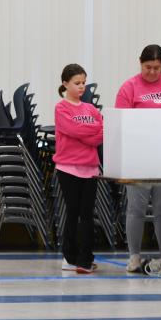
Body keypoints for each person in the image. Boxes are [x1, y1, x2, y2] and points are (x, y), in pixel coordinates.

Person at [114, 44, 161, 273]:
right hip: (138, 157)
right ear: (140, 63)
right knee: (136, 208)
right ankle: (134, 256)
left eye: (157, 68)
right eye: (148, 67)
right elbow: (120, 121)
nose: (152, 72)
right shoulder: (129, 87)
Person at [54, 63, 104, 274]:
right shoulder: (61, 108)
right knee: (73, 213)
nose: (82, 86)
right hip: (68, 168)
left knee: (87, 214)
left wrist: (85, 132)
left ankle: (85, 258)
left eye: (83, 82)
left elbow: (102, 132)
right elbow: (71, 129)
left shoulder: (91, 109)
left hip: (90, 168)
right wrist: (89, 131)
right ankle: (70, 256)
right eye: (77, 83)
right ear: (65, 84)